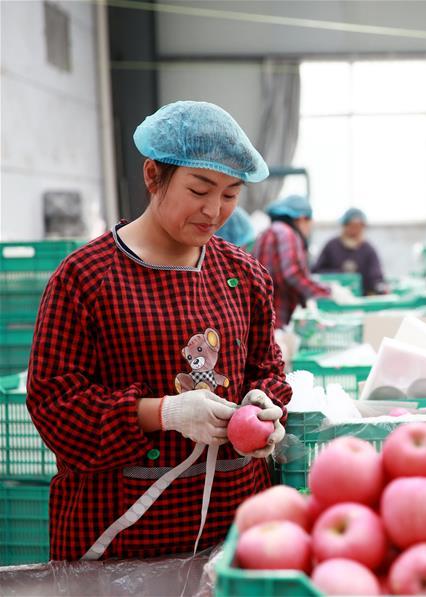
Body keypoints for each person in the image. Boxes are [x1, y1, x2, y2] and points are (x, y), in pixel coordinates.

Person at [26, 100, 290, 560]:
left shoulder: (243, 274)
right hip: (120, 534)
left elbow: (268, 369)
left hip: (231, 528)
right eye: (199, 189)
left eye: (230, 195)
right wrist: (163, 413)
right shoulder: (86, 278)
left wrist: (265, 402)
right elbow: (54, 404)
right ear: (153, 176)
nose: (214, 210)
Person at [253, 193, 331, 328]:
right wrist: (325, 292)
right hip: (276, 316)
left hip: (262, 315)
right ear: (301, 218)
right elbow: (293, 273)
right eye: (309, 223)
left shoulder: (268, 232)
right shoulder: (286, 232)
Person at [313, 207, 387, 295]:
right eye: (352, 226)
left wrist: (378, 287)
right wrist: (340, 276)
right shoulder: (331, 246)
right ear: (345, 226)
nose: (355, 230)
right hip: (334, 297)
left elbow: (376, 276)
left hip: (361, 297)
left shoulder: (368, 250)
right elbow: (316, 272)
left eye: (358, 227)